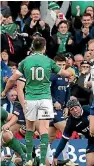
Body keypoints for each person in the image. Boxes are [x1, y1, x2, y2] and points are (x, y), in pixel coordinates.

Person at [1, 37, 72, 166]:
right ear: (44, 48)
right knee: (44, 130)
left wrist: (4, 91)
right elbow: (64, 73)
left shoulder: (25, 61)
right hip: (45, 99)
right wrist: (69, 74)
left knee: (29, 129)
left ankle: (28, 159)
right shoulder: (49, 61)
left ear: (33, 47)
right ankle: (43, 161)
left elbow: (12, 79)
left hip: (30, 99)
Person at [52, 99, 94, 166]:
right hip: (92, 140)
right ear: (70, 112)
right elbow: (64, 140)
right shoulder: (70, 122)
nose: (75, 110)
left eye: (76, 107)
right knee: (90, 163)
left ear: (80, 106)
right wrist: (55, 156)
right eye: (72, 109)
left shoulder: (87, 109)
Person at [48, 54, 73, 165]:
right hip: (52, 109)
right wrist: (54, 102)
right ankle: (66, 159)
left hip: (61, 109)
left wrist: (67, 106)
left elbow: (68, 93)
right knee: (66, 130)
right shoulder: (52, 76)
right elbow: (46, 91)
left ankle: (49, 160)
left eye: (63, 65)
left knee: (50, 137)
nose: (62, 67)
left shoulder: (65, 77)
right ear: (55, 64)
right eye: (59, 65)